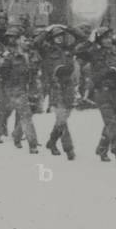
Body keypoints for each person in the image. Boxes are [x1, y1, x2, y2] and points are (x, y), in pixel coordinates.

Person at [76, 27, 116, 167]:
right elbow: (78, 52)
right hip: (103, 92)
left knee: (113, 122)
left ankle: (102, 148)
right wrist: (89, 41)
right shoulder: (94, 53)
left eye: (109, 37)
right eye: (104, 38)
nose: (108, 40)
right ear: (99, 40)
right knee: (112, 123)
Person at [34, 24, 83, 160]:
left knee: (64, 117)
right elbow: (36, 43)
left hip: (68, 86)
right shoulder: (47, 51)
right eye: (56, 36)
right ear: (52, 38)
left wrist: (69, 28)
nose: (59, 38)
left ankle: (51, 142)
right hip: (55, 86)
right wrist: (47, 30)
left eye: (61, 36)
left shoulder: (69, 49)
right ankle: (69, 149)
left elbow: (82, 39)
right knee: (61, 118)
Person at [0, 26, 40, 154]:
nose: (25, 41)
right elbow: (3, 73)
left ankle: (17, 135)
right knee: (26, 115)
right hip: (16, 88)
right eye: (22, 39)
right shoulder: (9, 56)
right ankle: (33, 144)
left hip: (31, 87)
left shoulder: (32, 53)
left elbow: (36, 68)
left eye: (26, 39)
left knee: (28, 113)